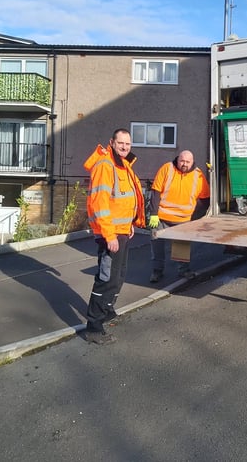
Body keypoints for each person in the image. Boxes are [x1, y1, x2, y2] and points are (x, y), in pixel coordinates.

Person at [83, 128, 145, 344]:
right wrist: (109, 235)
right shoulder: (105, 165)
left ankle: (106, 309)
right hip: (110, 234)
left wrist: (129, 224)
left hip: (122, 232)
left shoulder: (123, 165)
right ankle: (93, 327)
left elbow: (123, 199)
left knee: (118, 276)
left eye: (128, 144)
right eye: (121, 143)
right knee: (106, 278)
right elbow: (99, 204)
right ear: (112, 142)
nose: (125, 147)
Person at [148, 150, 210, 283]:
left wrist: (196, 217)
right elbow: (156, 192)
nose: (184, 164)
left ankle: (183, 271)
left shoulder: (198, 175)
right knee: (157, 247)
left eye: (188, 162)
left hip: (183, 220)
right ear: (178, 159)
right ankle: (156, 271)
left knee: (181, 248)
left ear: (192, 162)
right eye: (182, 161)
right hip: (161, 218)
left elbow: (205, 199)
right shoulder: (167, 169)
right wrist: (153, 214)